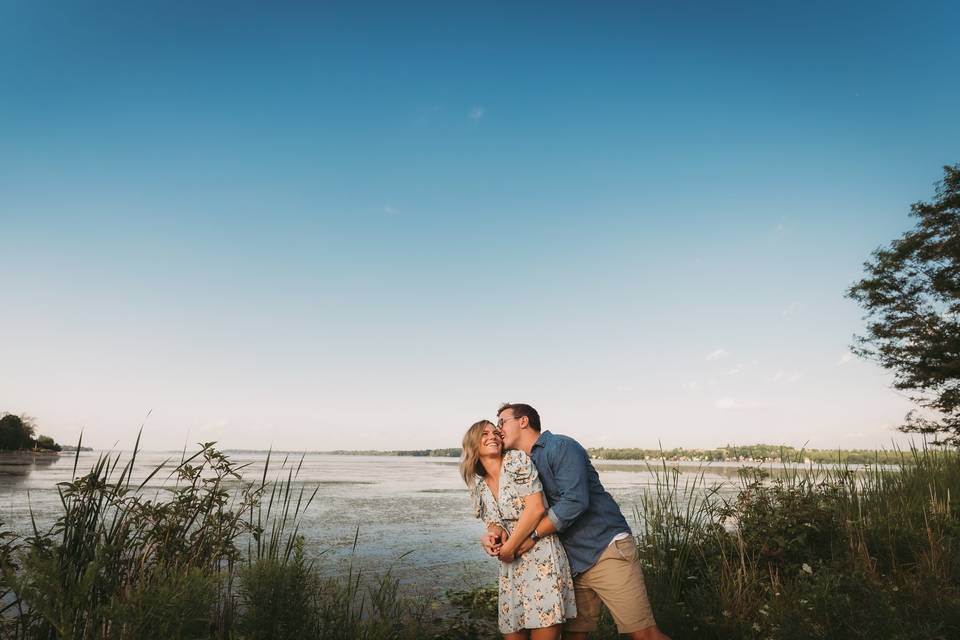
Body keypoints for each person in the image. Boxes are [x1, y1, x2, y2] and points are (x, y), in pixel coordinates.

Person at [482, 404, 670, 640]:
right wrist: (493, 533)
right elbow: (512, 510)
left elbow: (575, 502)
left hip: (605, 550)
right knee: (574, 636)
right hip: (569, 562)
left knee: (644, 635)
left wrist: (532, 537)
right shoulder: (517, 464)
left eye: (501, 423)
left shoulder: (560, 446)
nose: (498, 430)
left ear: (523, 421)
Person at [460, 419, 577, 639]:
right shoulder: (479, 484)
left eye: (496, 432)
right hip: (511, 568)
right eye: (484, 434)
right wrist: (490, 538)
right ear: (473, 444)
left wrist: (509, 548)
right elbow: (494, 523)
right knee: (513, 633)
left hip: (541, 558)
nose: (493, 436)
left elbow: (536, 508)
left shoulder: (515, 461)